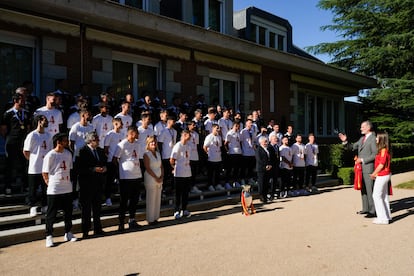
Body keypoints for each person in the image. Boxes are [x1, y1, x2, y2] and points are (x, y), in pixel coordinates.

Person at [42, 133, 77, 247]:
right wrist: (49, 183)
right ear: (58, 142)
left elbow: (70, 169)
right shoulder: (50, 155)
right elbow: (44, 172)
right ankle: (49, 236)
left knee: (68, 212)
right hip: (55, 188)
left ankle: (68, 232)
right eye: (65, 141)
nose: (67, 142)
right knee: (51, 214)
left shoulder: (68, 154)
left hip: (67, 187)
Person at [339, 120, 377, 217]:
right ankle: (365, 208)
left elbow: (375, 155)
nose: (361, 129)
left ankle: (373, 210)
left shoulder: (373, 139)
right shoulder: (361, 139)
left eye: (362, 127)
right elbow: (351, 147)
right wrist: (345, 141)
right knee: (363, 189)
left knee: (370, 189)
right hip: (361, 169)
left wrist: (362, 160)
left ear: (368, 128)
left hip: (369, 168)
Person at [77, 132, 107, 239]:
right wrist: (93, 169)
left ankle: (97, 229)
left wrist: (104, 168)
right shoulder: (83, 151)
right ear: (90, 141)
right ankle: (85, 230)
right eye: (96, 140)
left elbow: (104, 162)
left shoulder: (100, 150)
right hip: (87, 184)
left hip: (98, 183)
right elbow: (80, 168)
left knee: (97, 208)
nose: (98, 141)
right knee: (86, 209)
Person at [113, 126, 143, 231]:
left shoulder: (138, 144)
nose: (138, 135)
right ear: (131, 133)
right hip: (125, 177)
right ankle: (121, 223)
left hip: (137, 175)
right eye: (136, 133)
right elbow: (115, 159)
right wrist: (120, 172)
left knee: (134, 200)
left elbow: (139, 157)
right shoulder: (122, 144)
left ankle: (132, 220)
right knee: (124, 200)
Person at [1, 92, 31, 194]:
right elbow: (4, 129)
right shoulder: (8, 113)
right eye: (21, 100)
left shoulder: (26, 113)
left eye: (24, 100)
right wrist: (8, 138)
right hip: (12, 142)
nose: (23, 102)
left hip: (23, 142)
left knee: (24, 164)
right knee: (10, 164)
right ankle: (7, 186)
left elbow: (28, 128)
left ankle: (25, 185)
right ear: (15, 101)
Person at [23, 115, 53, 217]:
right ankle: (33, 207)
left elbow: (50, 151)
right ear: (40, 121)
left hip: (45, 167)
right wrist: (32, 160)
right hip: (34, 167)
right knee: (33, 189)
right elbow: (26, 151)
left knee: (45, 188)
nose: (47, 122)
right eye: (45, 120)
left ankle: (45, 205)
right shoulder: (32, 135)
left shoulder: (49, 135)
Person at [370, 132, 392, 225]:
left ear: (381, 139)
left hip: (382, 175)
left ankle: (382, 218)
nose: (375, 139)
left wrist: (374, 174)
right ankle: (386, 216)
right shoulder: (384, 150)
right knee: (383, 196)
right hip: (385, 174)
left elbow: (381, 164)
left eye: (377, 138)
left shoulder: (383, 150)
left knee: (376, 196)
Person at [170, 130, 192, 219]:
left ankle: (184, 209)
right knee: (178, 193)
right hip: (179, 173)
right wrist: (173, 168)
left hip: (187, 171)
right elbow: (172, 159)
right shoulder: (178, 145)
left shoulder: (188, 146)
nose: (189, 137)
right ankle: (176, 211)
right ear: (183, 135)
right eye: (187, 135)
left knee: (185, 193)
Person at [103, 117, 124, 206]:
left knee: (122, 180)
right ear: (115, 124)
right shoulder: (110, 134)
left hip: (120, 160)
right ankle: (107, 198)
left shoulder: (122, 134)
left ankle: (123, 198)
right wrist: (111, 158)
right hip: (111, 161)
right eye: (120, 123)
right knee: (109, 181)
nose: (122, 125)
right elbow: (106, 149)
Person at [143, 136, 163, 225]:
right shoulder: (146, 154)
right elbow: (147, 168)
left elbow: (161, 166)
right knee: (151, 198)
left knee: (157, 198)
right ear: (148, 144)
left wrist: (161, 176)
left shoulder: (158, 154)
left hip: (159, 177)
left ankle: (155, 218)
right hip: (151, 177)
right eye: (151, 142)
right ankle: (150, 219)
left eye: (154, 142)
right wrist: (156, 177)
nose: (153, 144)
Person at [203, 124, 225, 191]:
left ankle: (217, 184)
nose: (218, 130)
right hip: (211, 158)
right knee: (211, 173)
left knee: (217, 173)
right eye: (217, 128)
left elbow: (219, 146)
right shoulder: (209, 137)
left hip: (218, 158)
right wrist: (208, 153)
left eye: (218, 128)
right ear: (213, 128)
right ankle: (210, 185)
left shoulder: (219, 137)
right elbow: (205, 147)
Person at [224, 122, 242, 188]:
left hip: (238, 153)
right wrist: (228, 151)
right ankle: (227, 182)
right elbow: (225, 143)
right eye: (236, 126)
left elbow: (239, 142)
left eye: (238, 126)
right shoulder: (230, 133)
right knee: (229, 168)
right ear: (234, 126)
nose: (237, 128)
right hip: (232, 153)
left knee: (236, 169)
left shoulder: (238, 133)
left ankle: (235, 181)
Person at [255, 136, 272, 203]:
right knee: (261, 183)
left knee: (266, 183)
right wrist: (265, 166)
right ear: (261, 142)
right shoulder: (258, 149)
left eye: (266, 141)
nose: (266, 143)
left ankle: (265, 196)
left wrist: (270, 165)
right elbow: (259, 159)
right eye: (265, 141)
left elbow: (270, 158)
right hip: (261, 169)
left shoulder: (268, 149)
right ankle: (261, 196)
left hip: (268, 168)